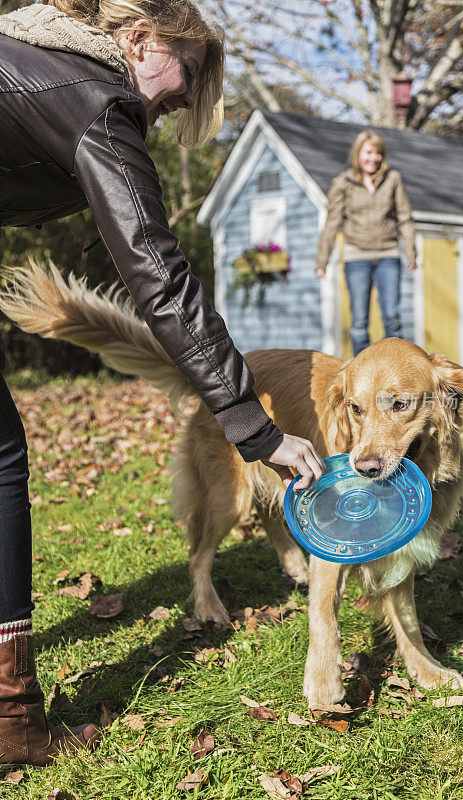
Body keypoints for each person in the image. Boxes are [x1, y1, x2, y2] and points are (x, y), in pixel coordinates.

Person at [0, 0, 324, 766]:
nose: (179, 100)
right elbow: (158, 274)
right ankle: (10, 716)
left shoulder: (30, 55)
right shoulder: (93, 97)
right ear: (138, 39)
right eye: (186, 81)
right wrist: (254, 425)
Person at [315, 130, 417, 356]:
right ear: (358, 154)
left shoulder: (393, 179)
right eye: (369, 152)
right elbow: (332, 222)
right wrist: (322, 261)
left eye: (378, 153)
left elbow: (405, 218)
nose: (374, 158)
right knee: (360, 322)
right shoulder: (343, 183)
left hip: (388, 254)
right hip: (356, 256)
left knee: (392, 316)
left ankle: (395, 366)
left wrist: (411, 254)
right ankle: (363, 371)